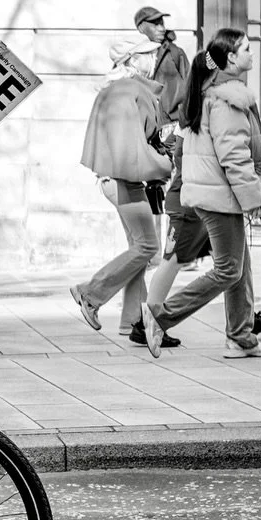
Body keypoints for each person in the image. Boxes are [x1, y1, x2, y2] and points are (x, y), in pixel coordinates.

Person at [141, 28, 261, 359]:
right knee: (229, 269)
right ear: (230, 58)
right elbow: (233, 156)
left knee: (239, 266)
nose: (251, 53)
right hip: (221, 196)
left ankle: (241, 336)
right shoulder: (229, 100)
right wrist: (253, 198)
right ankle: (161, 314)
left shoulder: (209, 95)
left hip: (212, 193)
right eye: (245, 48)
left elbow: (189, 151)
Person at [69, 36, 173, 340]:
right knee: (147, 247)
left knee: (139, 250)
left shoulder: (117, 89)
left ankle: (133, 322)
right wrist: (167, 162)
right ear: (131, 60)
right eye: (147, 54)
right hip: (123, 179)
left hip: (117, 178)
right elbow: (133, 149)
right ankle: (92, 293)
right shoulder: (129, 91)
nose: (153, 59)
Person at [133, 5, 191, 127]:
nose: (162, 28)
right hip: (142, 125)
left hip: (172, 125)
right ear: (141, 28)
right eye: (155, 24)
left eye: (162, 23)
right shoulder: (131, 56)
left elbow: (191, 86)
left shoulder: (175, 53)